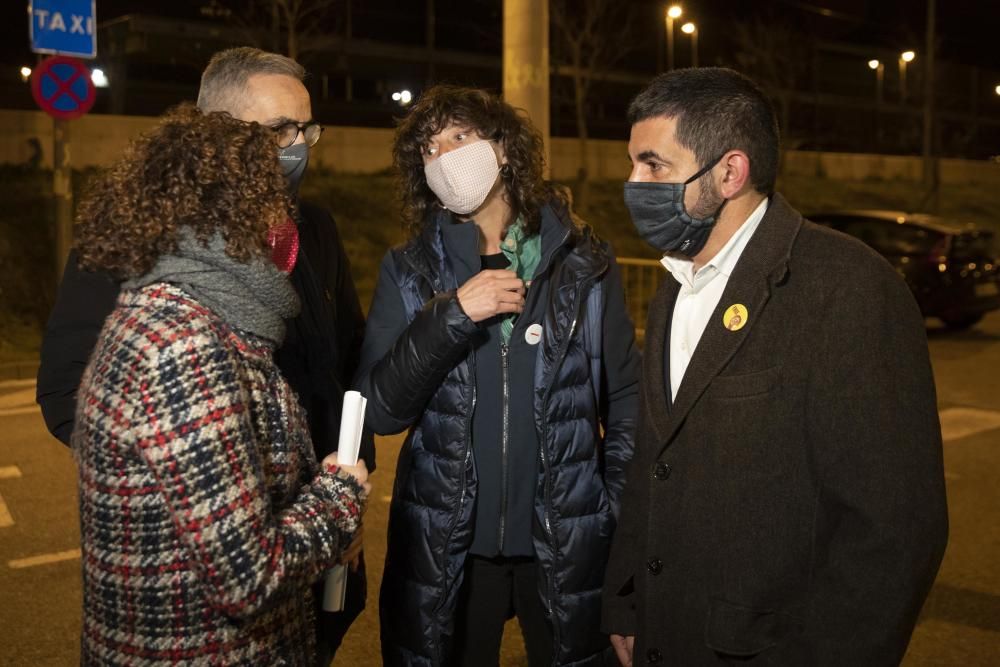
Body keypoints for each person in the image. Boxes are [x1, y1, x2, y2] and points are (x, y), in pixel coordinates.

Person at [35, 47, 372, 665]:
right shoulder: (154, 278)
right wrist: (193, 486)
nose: (299, 148)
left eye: (307, 129)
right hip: (211, 611)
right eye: (279, 131)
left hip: (306, 552)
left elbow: (341, 371)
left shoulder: (311, 230)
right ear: (216, 136)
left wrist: (336, 499)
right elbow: (72, 393)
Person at [602, 67, 948, 666]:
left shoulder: (848, 289)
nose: (632, 182)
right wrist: (628, 600)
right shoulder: (673, 285)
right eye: (633, 163)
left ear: (730, 172)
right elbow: (654, 462)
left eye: (653, 165)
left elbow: (895, 531)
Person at [355, 85, 639, 666]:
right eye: (428, 149)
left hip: (564, 543)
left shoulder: (582, 264)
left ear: (504, 148)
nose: (443, 158)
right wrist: (452, 316)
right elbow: (381, 408)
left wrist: (610, 514)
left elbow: (627, 401)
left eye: (459, 137)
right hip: (449, 549)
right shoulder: (408, 269)